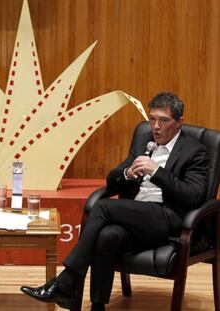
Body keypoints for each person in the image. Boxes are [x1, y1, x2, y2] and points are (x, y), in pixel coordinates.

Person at [20, 92, 209, 311]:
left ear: (179, 123)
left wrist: (156, 172)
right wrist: (128, 173)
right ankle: (97, 306)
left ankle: (66, 282)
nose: (155, 126)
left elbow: (194, 195)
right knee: (107, 236)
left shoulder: (195, 151)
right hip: (137, 217)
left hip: (168, 218)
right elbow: (112, 180)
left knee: (102, 207)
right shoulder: (144, 142)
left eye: (164, 120)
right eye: (152, 119)